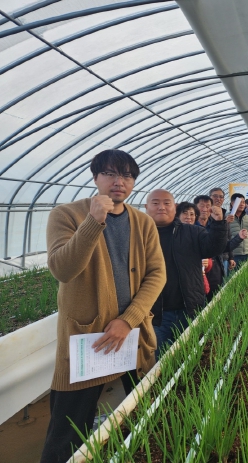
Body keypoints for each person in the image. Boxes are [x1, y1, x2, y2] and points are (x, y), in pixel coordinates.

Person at [41, 150, 166, 463]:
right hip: (88, 340)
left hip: (133, 335)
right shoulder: (66, 215)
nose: (119, 181)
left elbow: (157, 274)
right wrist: (93, 222)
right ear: (96, 177)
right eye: (110, 173)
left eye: (127, 175)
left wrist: (128, 320)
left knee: (144, 414)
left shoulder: (143, 222)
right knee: (68, 432)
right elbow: (62, 269)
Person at [145, 189, 227, 359]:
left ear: (174, 207)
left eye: (166, 203)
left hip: (189, 308)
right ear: (146, 207)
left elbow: (213, 248)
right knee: (161, 361)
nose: (161, 207)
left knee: (191, 356)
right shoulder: (139, 235)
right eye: (155, 203)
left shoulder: (192, 232)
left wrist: (219, 224)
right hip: (156, 313)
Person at [209, 187, 236, 276]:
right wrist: (223, 223)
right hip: (210, 258)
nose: (218, 199)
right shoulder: (206, 214)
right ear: (210, 197)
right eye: (215, 196)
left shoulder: (224, 215)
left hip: (224, 257)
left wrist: (231, 257)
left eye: (221, 197)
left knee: (223, 282)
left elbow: (228, 237)